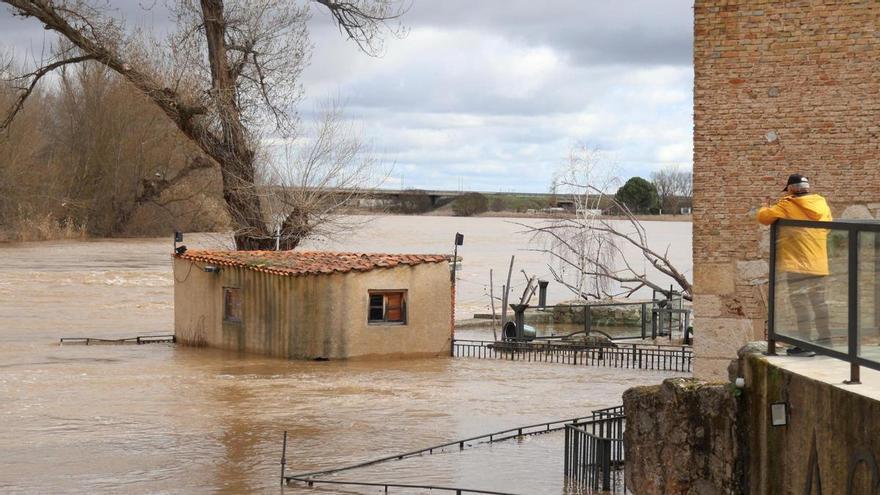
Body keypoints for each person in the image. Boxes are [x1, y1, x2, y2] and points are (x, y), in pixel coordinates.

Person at [757, 173, 833, 356]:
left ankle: (805, 345)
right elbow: (829, 226)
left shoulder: (787, 204)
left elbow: (764, 218)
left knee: (800, 304)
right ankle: (826, 343)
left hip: (797, 265)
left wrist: (765, 205)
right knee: (819, 303)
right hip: (819, 263)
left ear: (791, 189)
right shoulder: (821, 203)